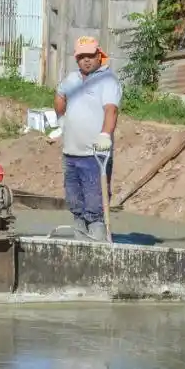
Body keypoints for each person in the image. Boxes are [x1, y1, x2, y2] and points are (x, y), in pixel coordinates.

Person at [55, 36, 122, 241]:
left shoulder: (107, 80)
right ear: (76, 59)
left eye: (90, 55)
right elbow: (59, 96)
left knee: (95, 202)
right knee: (74, 199)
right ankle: (80, 236)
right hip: (71, 152)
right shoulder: (72, 79)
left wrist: (105, 134)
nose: (86, 60)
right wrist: (61, 118)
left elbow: (111, 110)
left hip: (95, 155)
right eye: (82, 56)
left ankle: (98, 237)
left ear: (99, 55)